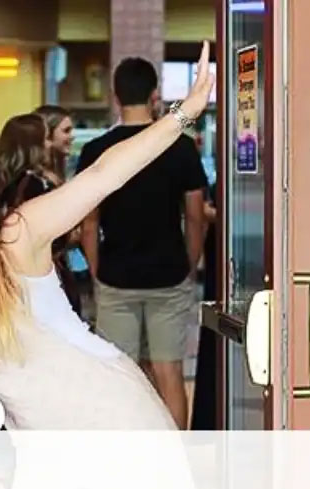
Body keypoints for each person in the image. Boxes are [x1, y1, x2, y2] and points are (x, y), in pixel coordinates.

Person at [0, 42, 213, 430]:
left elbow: (103, 175)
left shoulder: (14, 240)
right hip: (39, 445)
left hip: (111, 421)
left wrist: (185, 113)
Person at [77, 56, 209, 430]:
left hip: (116, 274)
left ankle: (125, 459)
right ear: (155, 95)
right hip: (169, 273)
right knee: (170, 371)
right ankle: (176, 461)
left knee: (123, 373)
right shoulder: (180, 147)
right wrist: (189, 261)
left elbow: (89, 221)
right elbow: (196, 214)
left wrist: (97, 268)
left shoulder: (96, 151)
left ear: (115, 96)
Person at [0, 114, 82, 315]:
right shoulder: (40, 185)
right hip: (45, 277)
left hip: (9, 278)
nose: (49, 144)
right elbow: (61, 234)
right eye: (46, 139)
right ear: (34, 146)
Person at [32, 105, 74, 176]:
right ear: (47, 133)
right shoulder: (34, 177)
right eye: (66, 131)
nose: (72, 136)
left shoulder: (62, 168)